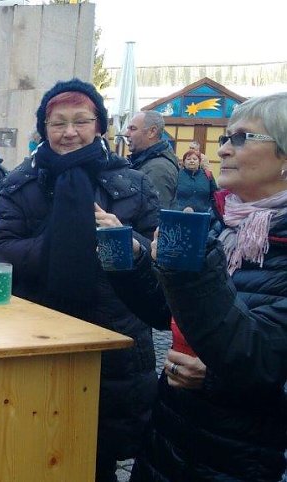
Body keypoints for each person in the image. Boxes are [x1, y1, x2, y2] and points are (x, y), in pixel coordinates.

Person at [106, 92, 287, 482]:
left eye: (241, 138)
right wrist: (127, 258)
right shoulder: (228, 224)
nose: (222, 149)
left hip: (245, 455)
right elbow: (171, 314)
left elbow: (264, 362)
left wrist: (214, 376)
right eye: (225, 138)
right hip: (175, 433)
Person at [0, 79, 160, 481]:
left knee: (98, 454)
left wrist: (126, 241)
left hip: (114, 336)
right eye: (57, 123)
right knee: (29, 447)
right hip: (37, 335)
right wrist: (58, 243)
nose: (69, 133)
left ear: (99, 125)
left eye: (81, 121)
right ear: (43, 128)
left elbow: (159, 256)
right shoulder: (21, 182)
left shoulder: (132, 184)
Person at [125, 110, 180, 209]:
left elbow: (155, 216)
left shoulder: (158, 169)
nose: (126, 133)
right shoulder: (145, 162)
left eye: (133, 129)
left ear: (152, 132)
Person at [172, 148, 218, 213]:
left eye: (195, 159)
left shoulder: (208, 175)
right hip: (179, 214)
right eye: (188, 159)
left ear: (199, 162)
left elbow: (215, 195)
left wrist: (210, 210)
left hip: (203, 216)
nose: (191, 161)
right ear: (184, 162)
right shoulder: (177, 174)